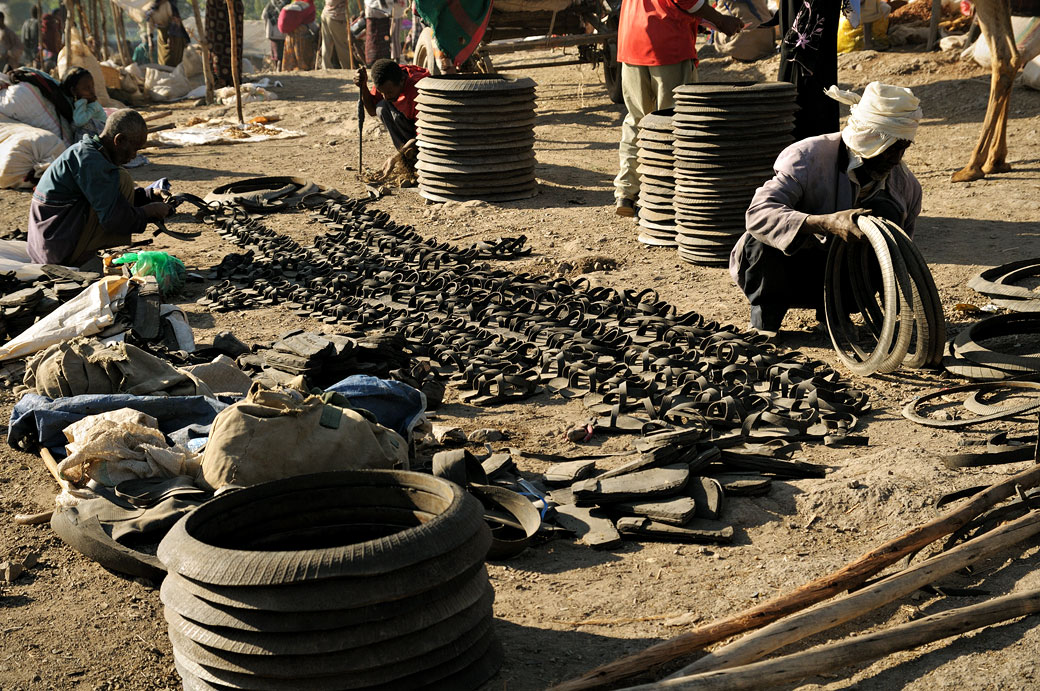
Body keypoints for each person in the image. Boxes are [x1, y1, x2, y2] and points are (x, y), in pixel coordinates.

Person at [729, 82, 924, 335]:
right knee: (759, 242)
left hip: (844, 277)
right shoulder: (807, 157)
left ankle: (836, 314)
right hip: (790, 267)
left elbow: (901, 255)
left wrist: (906, 313)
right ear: (867, 138)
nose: (895, 159)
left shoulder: (905, 187)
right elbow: (758, 215)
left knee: (886, 221)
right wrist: (825, 223)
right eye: (889, 149)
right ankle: (766, 318)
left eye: (902, 148)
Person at [613, 0, 743, 217]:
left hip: (631, 41)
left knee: (635, 120)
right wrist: (721, 20)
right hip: (667, 45)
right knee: (673, 122)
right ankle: (664, 197)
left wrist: (710, 21)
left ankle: (626, 192)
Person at [27, 109, 172, 267]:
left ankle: (83, 253)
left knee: (120, 180)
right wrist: (149, 212)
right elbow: (113, 219)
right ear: (120, 140)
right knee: (122, 178)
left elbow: (107, 197)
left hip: (50, 244)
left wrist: (149, 195)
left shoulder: (90, 152)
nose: (134, 156)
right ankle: (80, 258)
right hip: (57, 251)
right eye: (135, 149)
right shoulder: (91, 161)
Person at [354, 58, 428, 151]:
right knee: (381, 107)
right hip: (412, 131)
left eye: (389, 92)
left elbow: (424, 134)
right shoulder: (385, 77)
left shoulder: (417, 90)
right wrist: (363, 86)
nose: (385, 97)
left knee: (395, 115)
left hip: (427, 133)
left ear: (401, 81)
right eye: (382, 93)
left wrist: (397, 157)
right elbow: (373, 111)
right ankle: (406, 155)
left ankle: (408, 154)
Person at [206, 0, 244, 88]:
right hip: (216, 8)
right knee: (216, 40)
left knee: (234, 41)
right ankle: (219, 79)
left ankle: (233, 79)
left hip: (234, 6)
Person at [62, 68, 107, 139]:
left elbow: (79, 121)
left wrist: (81, 101)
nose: (92, 91)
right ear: (73, 91)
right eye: (86, 88)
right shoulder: (77, 103)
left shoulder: (93, 104)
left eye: (92, 86)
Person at [147, 0, 190, 67]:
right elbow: (150, 26)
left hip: (174, 34)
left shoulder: (166, 4)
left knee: (175, 58)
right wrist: (150, 41)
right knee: (163, 61)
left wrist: (170, 36)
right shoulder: (150, 10)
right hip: (162, 36)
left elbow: (173, 19)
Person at [321, 0, 351, 69]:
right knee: (342, 44)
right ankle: (347, 67)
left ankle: (326, 67)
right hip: (335, 16)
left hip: (326, 13)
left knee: (326, 43)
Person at [364, 0, 391, 66]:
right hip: (375, 12)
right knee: (373, 39)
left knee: (380, 40)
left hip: (381, 14)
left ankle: (380, 60)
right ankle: (372, 60)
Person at [264, 0, 289, 67]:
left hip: (272, 34)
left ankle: (277, 68)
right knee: (282, 53)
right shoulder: (286, 5)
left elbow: (264, 16)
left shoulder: (270, 5)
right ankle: (280, 68)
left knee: (275, 54)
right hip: (283, 33)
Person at [40, 5, 64, 70]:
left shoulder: (43, 29)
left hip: (46, 54)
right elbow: (55, 42)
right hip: (53, 54)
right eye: (58, 15)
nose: (59, 16)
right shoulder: (53, 28)